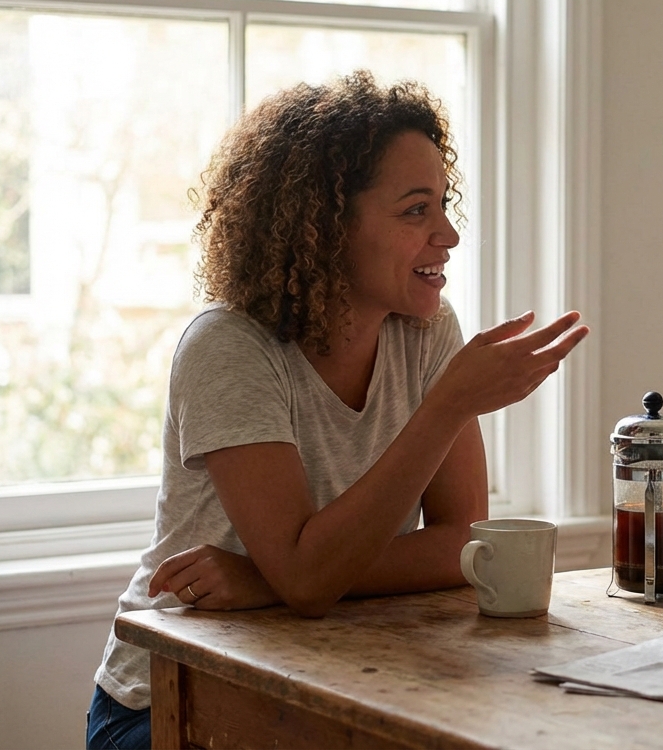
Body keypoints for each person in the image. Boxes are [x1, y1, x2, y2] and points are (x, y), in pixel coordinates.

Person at [87, 72, 589, 749]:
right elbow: (310, 578)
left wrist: (268, 580)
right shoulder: (229, 348)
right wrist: (445, 409)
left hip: (326, 678)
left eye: (445, 205)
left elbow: (461, 546)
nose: (447, 234)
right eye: (416, 211)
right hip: (167, 699)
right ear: (324, 227)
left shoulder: (425, 333)